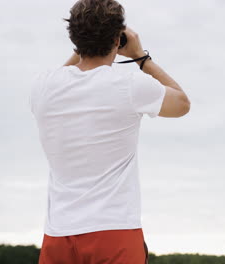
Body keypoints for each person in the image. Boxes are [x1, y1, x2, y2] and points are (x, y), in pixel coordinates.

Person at [29, 0, 191, 263]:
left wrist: (84, 47)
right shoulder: (129, 84)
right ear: (118, 39)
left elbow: (68, 72)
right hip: (114, 231)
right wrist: (140, 57)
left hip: (58, 236)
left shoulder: (43, 87)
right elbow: (182, 104)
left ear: (73, 37)